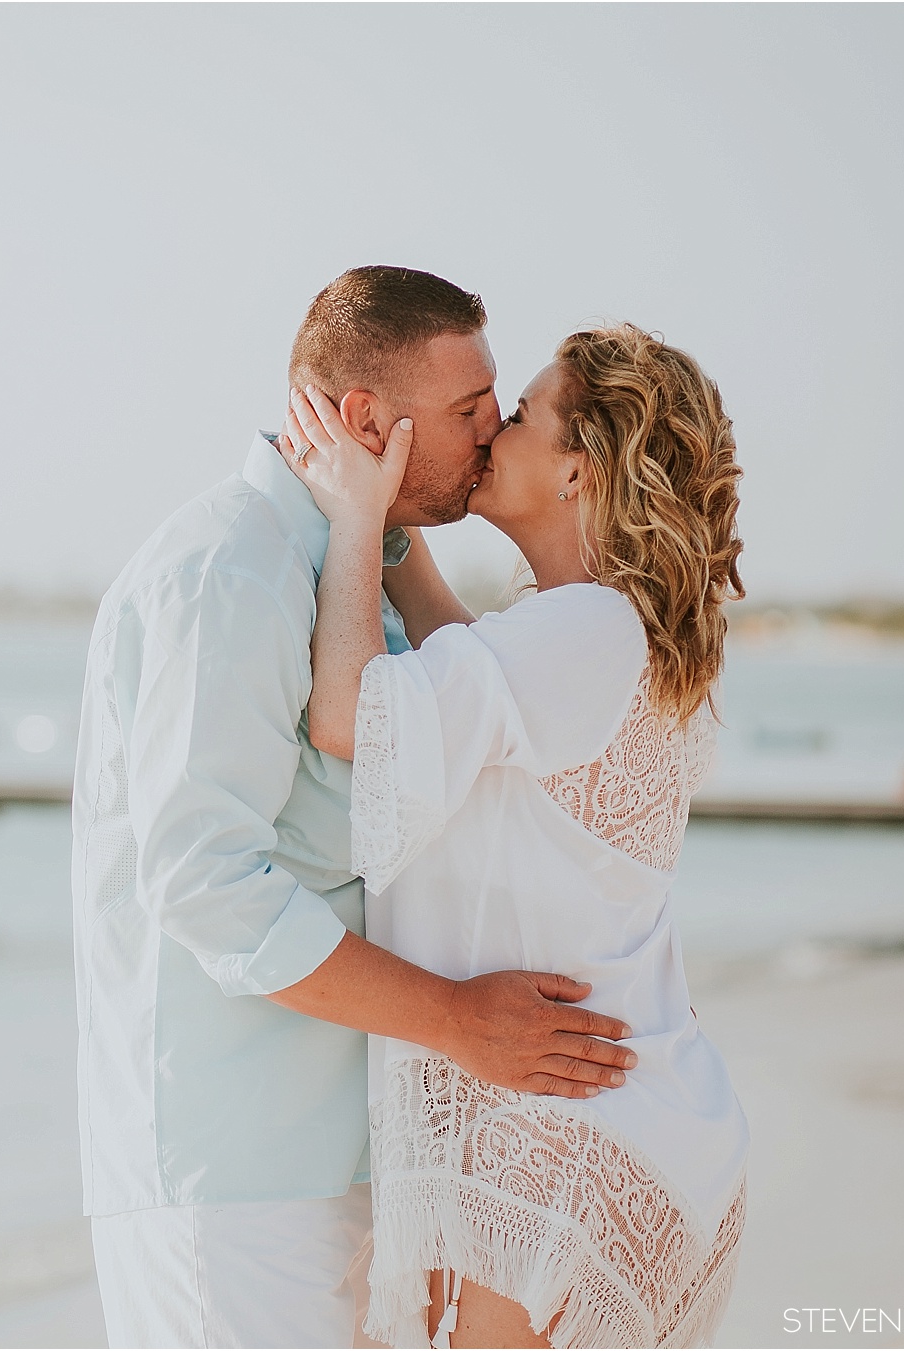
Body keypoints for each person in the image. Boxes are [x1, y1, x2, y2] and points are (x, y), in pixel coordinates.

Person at [71, 266, 640, 1349]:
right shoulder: (227, 567)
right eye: (468, 413)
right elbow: (204, 883)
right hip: (232, 1175)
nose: (489, 435)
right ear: (365, 418)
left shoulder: (355, 566)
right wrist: (463, 1022)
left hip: (354, 1154)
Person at [278, 322, 749, 1348]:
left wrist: (355, 517)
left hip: (564, 1147)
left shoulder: (578, 632)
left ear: (576, 469)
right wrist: (397, 526)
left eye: (525, 412)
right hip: (622, 1124)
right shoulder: (598, 628)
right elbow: (464, 671)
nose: (494, 424)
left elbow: (349, 718)